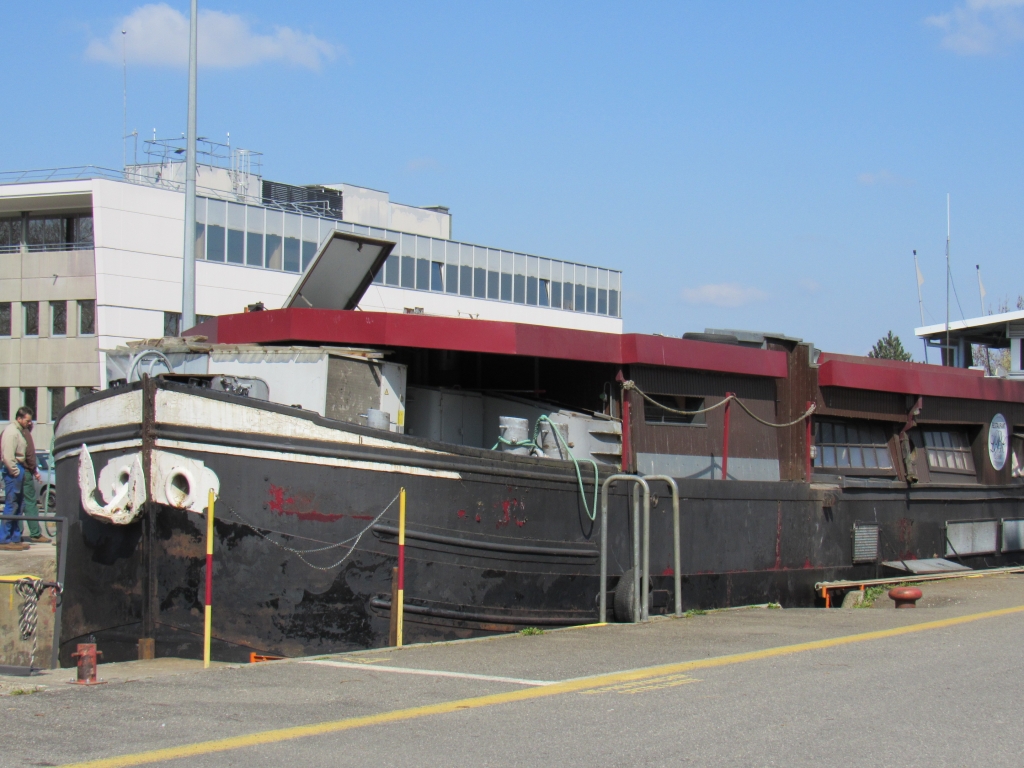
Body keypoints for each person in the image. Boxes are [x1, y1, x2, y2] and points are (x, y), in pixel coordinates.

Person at [1, 406, 35, 550]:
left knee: (19, 504)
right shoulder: (11, 433)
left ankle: (15, 538)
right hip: (13, 470)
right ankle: (4, 539)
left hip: (18, 469)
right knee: (12, 503)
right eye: (27, 420)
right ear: (19, 419)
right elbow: (8, 456)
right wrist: (14, 471)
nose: (29, 423)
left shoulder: (19, 432)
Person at [19, 417, 51, 544]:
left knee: (16, 503)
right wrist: (34, 470)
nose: (30, 423)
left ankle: (16, 533)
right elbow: (30, 454)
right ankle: (35, 533)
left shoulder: (10, 432)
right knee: (30, 502)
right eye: (28, 421)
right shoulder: (25, 433)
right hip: (25, 471)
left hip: (13, 471)